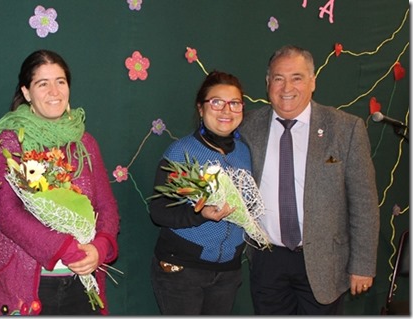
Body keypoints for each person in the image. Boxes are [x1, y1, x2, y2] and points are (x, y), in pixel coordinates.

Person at [239, 45, 380, 315]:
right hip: (268, 260)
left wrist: (362, 265)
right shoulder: (247, 127)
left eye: (297, 77)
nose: (286, 87)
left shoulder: (346, 129)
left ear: (313, 82)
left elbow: (364, 203)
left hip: (324, 261)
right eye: (278, 78)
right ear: (268, 83)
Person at [0, 49, 120, 315]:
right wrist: (64, 248)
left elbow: (106, 206)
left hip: (82, 283)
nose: (54, 91)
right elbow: (6, 213)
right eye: (42, 84)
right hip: (27, 286)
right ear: (26, 92)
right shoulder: (11, 142)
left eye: (60, 81)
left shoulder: (85, 143)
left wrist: (100, 247)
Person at [148, 70, 252, 315]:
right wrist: (200, 213)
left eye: (234, 103)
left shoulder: (245, 153)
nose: (226, 111)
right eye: (216, 102)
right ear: (201, 108)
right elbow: (159, 211)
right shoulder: (180, 152)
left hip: (228, 272)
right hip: (182, 270)